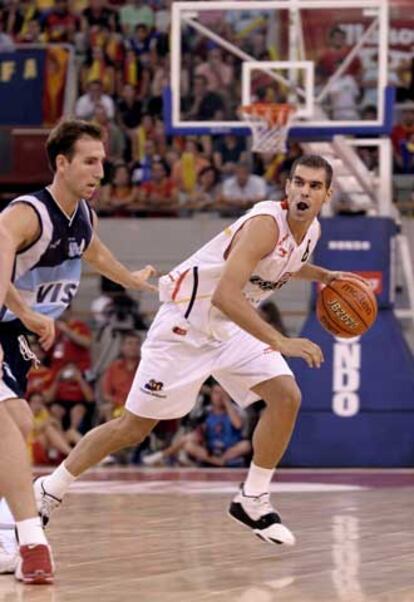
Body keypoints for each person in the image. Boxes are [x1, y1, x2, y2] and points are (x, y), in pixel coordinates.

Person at [0, 155, 364, 564]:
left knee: (286, 396)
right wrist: (280, 339)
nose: (303, 191)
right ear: (287, 187)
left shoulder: (310, 232)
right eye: (298, 182)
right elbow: (227, 293)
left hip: (229, 329)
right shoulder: (265, 224)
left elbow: (285, 266)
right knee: (132, 428)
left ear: (327, 195)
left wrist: (325, 277)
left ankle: (253, 498)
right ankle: (51, 489)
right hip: (185, 326)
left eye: (314, 186)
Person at [0, 118, 156, 584]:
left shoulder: (82, 215)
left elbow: (92, 250)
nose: (100, 172)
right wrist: (26, 311)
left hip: (12, 333)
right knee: (7, 420)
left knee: (22, 422)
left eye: (102, 162)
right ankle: (30, 541)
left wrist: (128, 278)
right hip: (12, 321)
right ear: (62, 164)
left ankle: (8, 527)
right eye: (90, 162)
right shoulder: (24, 215)